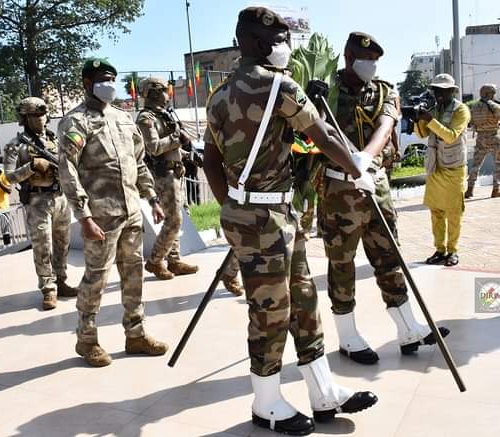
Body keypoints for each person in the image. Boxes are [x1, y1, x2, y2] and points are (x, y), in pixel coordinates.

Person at [203, 8, 378, 435]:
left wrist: (234, 205)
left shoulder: (220, 95)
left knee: (302, 300)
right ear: (262, 44)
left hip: (269, 214)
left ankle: (323, 392)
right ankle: (266, 403)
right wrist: (359, 169)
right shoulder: (279, 85)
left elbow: (209, 160)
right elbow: (324, 136)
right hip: (266, 218)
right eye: (283, 38)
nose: (288, 45)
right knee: (270, 310)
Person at [318, 32, 451, 366]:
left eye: (376, 60)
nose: (372, 66)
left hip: (375, 184)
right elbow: (316, 131)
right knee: (342, 265)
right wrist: (349, 162)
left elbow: (386, 123)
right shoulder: (327, 92)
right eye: (366, 59)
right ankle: (348, 336)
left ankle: (408, 328)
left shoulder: (384, 90)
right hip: (339, 191)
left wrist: (364, 157)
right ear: (348, 57)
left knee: (389, 258)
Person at [58, 58, 168, 367]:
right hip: (101, 216)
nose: (109, 84)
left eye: (111, 78)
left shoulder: (123, 118)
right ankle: (86, 339)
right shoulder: (76, 121)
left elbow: (140, 162)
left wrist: (152, 198)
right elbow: (67, 171)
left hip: (131, 211)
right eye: (102, 79)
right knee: (96, 279)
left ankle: (135, 334)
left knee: (133, 275)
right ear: (87, 83)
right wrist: (84, 217)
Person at [4, 97, 79, 311]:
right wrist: (31, 167)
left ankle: (61, 280)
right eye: (35, 115)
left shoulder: (55, 140)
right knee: (42, 246)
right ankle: (48, 288)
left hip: (60, 197)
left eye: (43, 114)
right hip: (37, 200)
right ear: (25, 118)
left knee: (62, 243)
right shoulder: (15, 145)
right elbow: (8, 177)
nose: (41, 119)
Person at [137, 77, 199, 280]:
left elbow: (173, 149)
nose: (167, 94)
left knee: (178, 217)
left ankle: (174, 260)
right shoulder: (146, 118)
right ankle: (155, 261)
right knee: (173, 220)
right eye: (164, 90)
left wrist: (189, 155)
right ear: (154, 93)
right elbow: (154, 148)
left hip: (176, 172)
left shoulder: (164, 115)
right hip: (163, 175)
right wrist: (176, 138)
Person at [415, 73, 471, 267]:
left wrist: (430, 119)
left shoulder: (461, 110)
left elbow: (451, 136)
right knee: (436, 212)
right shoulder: (434, 109)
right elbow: (422, 134)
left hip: (454, 167)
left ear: (452, 91)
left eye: (443, 90)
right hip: (435, 166)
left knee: (454, 212)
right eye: (436, 90)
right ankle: (440, 250)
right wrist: (418, 119)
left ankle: (453, 251)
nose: (439, 94)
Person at [466, 84, 500, 199]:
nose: (494, 96)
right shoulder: (494, 106)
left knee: (475, 165)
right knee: (498, 164)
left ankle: (469, 190)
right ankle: (496, 190)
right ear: (489, 94)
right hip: (495, 137)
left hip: (480, 138)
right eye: (493, 93)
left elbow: (471, 122)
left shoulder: (473, 107)